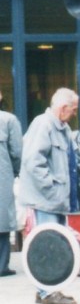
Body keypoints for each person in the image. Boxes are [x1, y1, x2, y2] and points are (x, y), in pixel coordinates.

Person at [19, 88, 79, 304]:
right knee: (47, 246)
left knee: (53, 244)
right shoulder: (43, 125)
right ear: (63, 108)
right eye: (73, 110)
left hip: (55, 200)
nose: (74, 114)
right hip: (46, 200)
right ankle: (47, 292)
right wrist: (52, 187)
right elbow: (33, 161)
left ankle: (45, 289)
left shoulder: (61, 128)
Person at [0, 89, 21, 277]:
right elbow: (17, 152)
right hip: (2, 176)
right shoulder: (8, 120)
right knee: (2, 219)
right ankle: (1, 265)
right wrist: (14, 171)